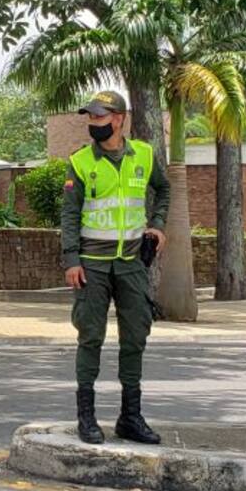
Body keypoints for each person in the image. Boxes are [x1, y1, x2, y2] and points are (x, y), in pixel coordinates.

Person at [61, 90, 171, 445]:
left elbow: (164, 190)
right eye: (91, 118)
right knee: (90, 336)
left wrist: (157, 224)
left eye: (100, 117)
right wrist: (71, 259)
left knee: (135, 337)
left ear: (119, 119)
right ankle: (87, 417)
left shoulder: (143, 154)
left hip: (131, 263)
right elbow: (69, 214)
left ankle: (130, 417)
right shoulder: (80, 162)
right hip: (91, 265)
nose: (93, 123)